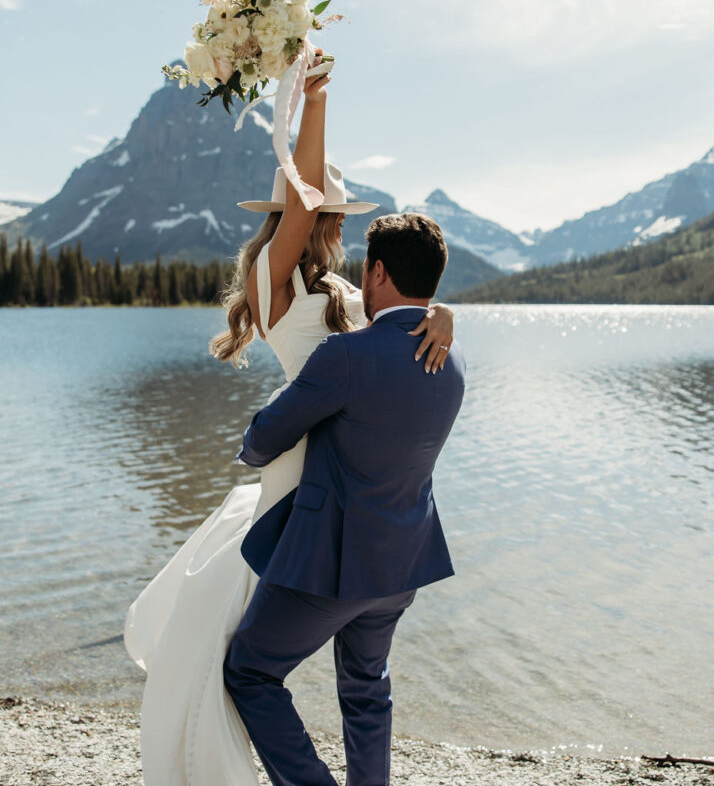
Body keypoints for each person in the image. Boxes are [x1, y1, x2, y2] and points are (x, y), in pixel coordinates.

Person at [124, 53, 455, 786]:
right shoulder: (269, 280)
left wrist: (442, 312)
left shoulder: (344, 287)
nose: (330, 224)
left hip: (341, 482)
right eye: (323, 213)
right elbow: (301, 206)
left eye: (333, 216)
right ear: (291, 216)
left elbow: (391, 331)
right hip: (304, 491)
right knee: (245, 657)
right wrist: (313, 101)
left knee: (287, 664)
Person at [224, 211, 466, 786]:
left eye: (366, 267)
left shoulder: (346, 356)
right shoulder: (451, 359)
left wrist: (255, 450)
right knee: (366, 690)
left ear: (377, 271)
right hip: (403, 562)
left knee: (252, 670)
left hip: (330, 563)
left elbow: (264, 438)